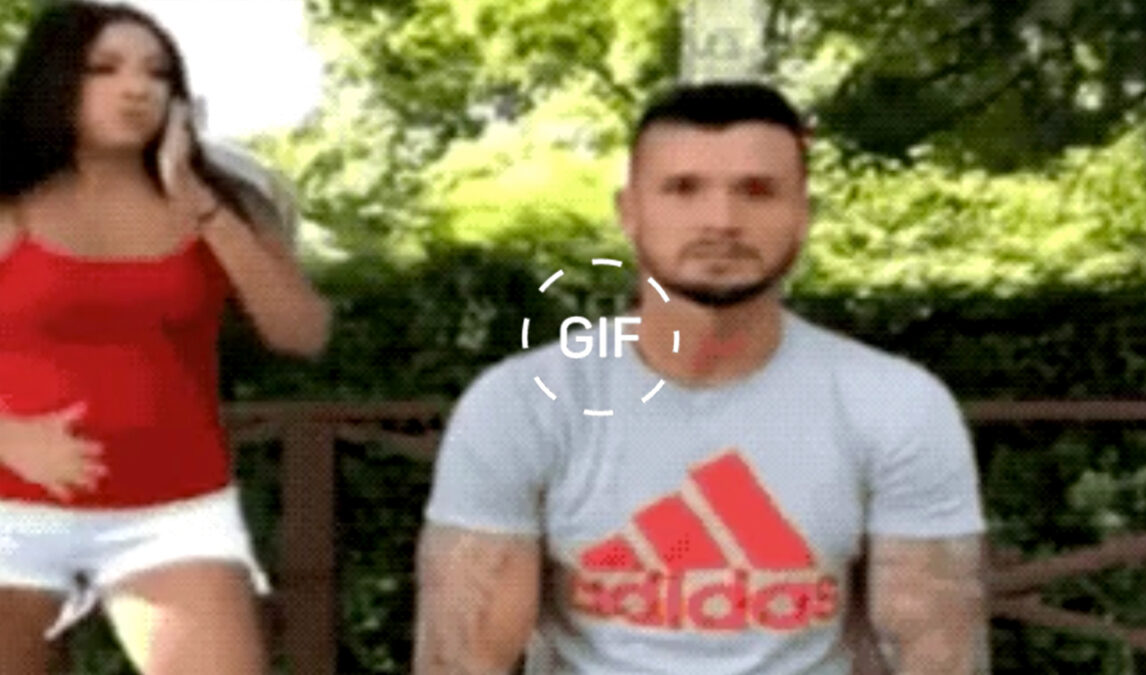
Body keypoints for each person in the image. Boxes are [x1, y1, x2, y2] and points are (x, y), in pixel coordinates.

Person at [416, 83, 988, 674]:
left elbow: (936, 652)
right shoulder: (522, 405)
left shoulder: (897, 405)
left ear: (804, 215)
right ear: (629, 212)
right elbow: (459, 661)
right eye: (683, 189)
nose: (721, 221)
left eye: (757, 191)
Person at [0, 3, 331, 673]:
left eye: (157, 73)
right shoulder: (12, 200)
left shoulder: (225, 199)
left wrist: (198, 202)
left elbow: (301, 333)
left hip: (175, 515)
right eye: (104, 69)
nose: (136, 88)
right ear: (53, 81)